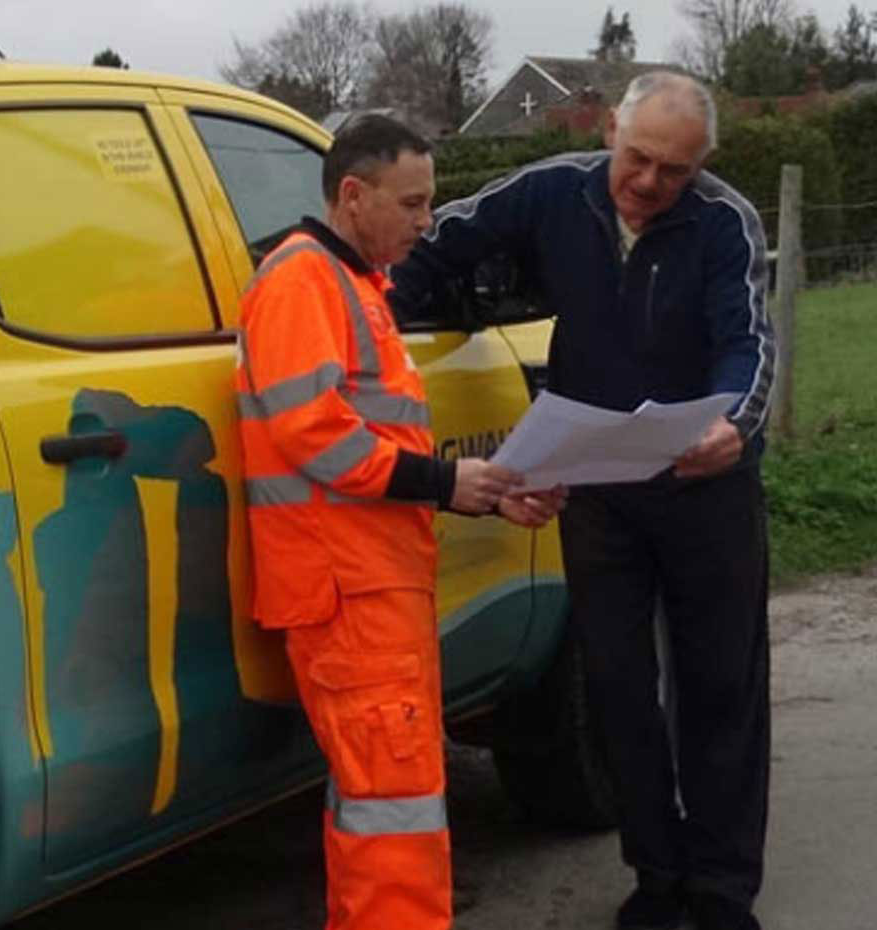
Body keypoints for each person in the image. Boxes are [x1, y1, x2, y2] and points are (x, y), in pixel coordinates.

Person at [390, 73, 774, 930]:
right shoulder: (549, 192)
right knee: (618, 686)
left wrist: (736, 427)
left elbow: (748, 345)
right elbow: (433, 243)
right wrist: (372, 332)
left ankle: (719, 889)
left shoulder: (723, 222)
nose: (648, 183)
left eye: (673, 171)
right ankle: (656, 875)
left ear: (700, 167)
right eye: (637, 158)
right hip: (599, 489)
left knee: (720, 687)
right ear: (610, 130)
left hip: (704, 486)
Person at [235, 114, 562, 930]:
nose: (428, 222)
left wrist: (473, 488)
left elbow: (364, 442)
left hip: (367, 583)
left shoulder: (347, 285)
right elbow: (315, 433)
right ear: (354, 195)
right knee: (394, 802)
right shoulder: (304, 283)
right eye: (413, 204)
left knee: (388, 801)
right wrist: (449, 480)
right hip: (348, 589)